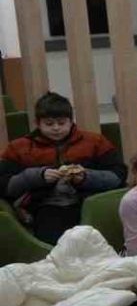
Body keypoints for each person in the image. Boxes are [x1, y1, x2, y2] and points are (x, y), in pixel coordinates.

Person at [0, 92, 126, 243]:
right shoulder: (19, 148)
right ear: (38, 123)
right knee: (56, 238)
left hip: (90, 202)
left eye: (61, 123)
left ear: (71, 121)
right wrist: (38, 176)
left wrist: (86, 177)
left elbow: (118, 177)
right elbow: (5, 185)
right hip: (45, 205)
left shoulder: (95, 142)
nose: (56, 128)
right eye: (49, 124)